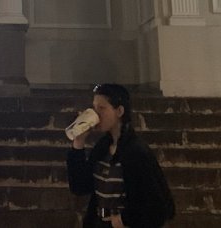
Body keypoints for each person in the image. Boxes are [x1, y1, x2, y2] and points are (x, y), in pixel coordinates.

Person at [67, 83, 175, 227]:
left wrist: (124, 219)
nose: (96, 114)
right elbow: (80, 186)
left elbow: (156, 204)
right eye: (94, 108)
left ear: (119, 111)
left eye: (102, 108)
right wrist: (78, 143)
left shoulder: (136, 152)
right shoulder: (102, 148)